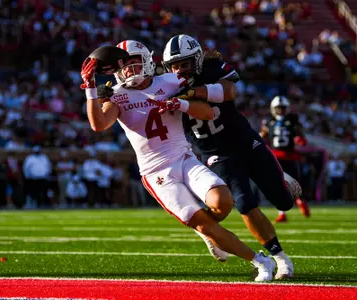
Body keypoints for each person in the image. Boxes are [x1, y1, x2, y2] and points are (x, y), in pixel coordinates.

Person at [82, 40, 276, 281]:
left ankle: (209, 233)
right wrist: (91, 88)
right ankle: (260, 261)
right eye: (124, 66)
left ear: (147, 61)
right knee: (205, 224)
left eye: (133, 63)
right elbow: (98, 124)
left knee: (223, 201)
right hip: (156, 173)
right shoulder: (117, 95)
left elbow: (210, 112)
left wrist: (181, 103)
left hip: (185, 158)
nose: (130, 71)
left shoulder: (172, 82)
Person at [160, 34, 298, 279]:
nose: (178, 70)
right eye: (174, 65)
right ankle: (280, 258)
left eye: (185, 63)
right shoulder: (167, 84)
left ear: (198, 60)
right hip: (217, 154)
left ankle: (281, 178)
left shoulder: (213, 68)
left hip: (245, 141)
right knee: (244, 203)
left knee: (285, 202)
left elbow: (229, 91)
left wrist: (192, 93)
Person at [260, 96, 311, 223]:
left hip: (289, 156)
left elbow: (301, 137)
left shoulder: (291, 120)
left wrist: (300, 139)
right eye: (278, 108)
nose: (280, 111)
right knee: (279, 185)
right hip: (276, 156)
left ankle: (299, 199)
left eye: (282, 108)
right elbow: (261, 136)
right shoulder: (269, 122)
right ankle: (283, 213)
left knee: (294, 183)